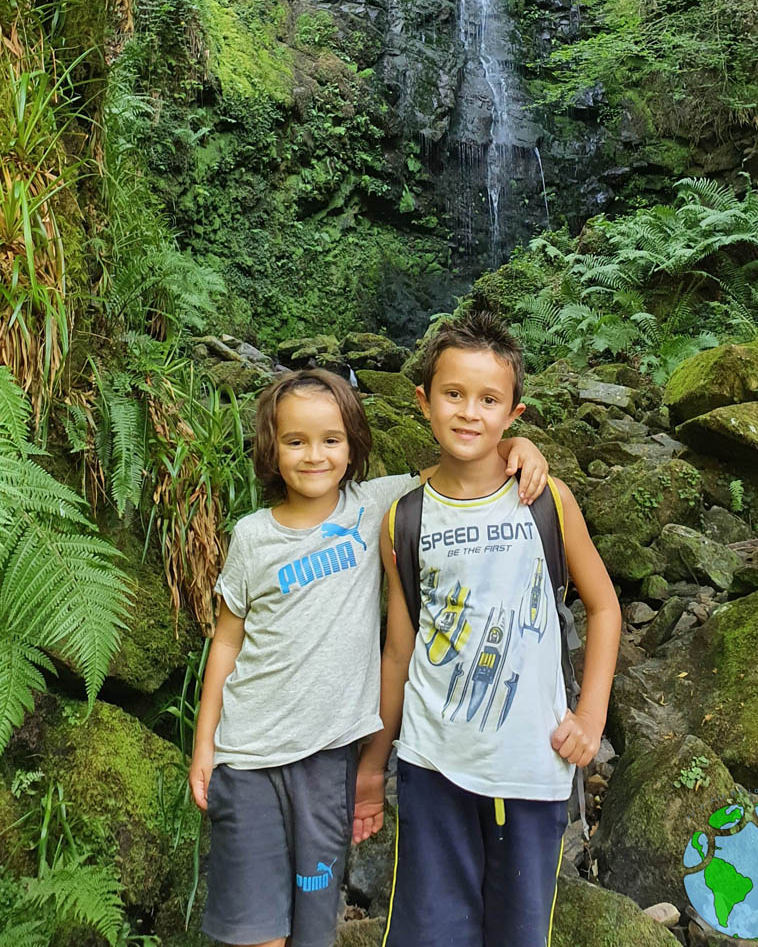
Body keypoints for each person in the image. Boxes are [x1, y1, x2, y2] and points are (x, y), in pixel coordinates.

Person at [188, 366, 550, 947]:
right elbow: (226, 640)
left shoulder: (377, 506)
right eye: (295, 441)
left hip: (331, 763)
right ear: (270, 448)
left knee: (313, 930)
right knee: (255, 933)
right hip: (248, 758)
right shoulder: (253, 536)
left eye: (330, 440)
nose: (313, 456)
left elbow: (464, 460)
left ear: (353, 446)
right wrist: (205, 744)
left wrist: (518, 444)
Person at [352, 313, 622, 947]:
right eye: (453, 394)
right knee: (429, 930)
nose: (469, 412)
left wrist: (591, 716)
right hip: (432, 763)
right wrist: (373, 764)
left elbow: (605, 608)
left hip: (534, 764)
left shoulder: (547, 499)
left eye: (489, 400)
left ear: (514, 414)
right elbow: (399, 649)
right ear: (422, 402)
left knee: (520, 932)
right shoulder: (405, 518)